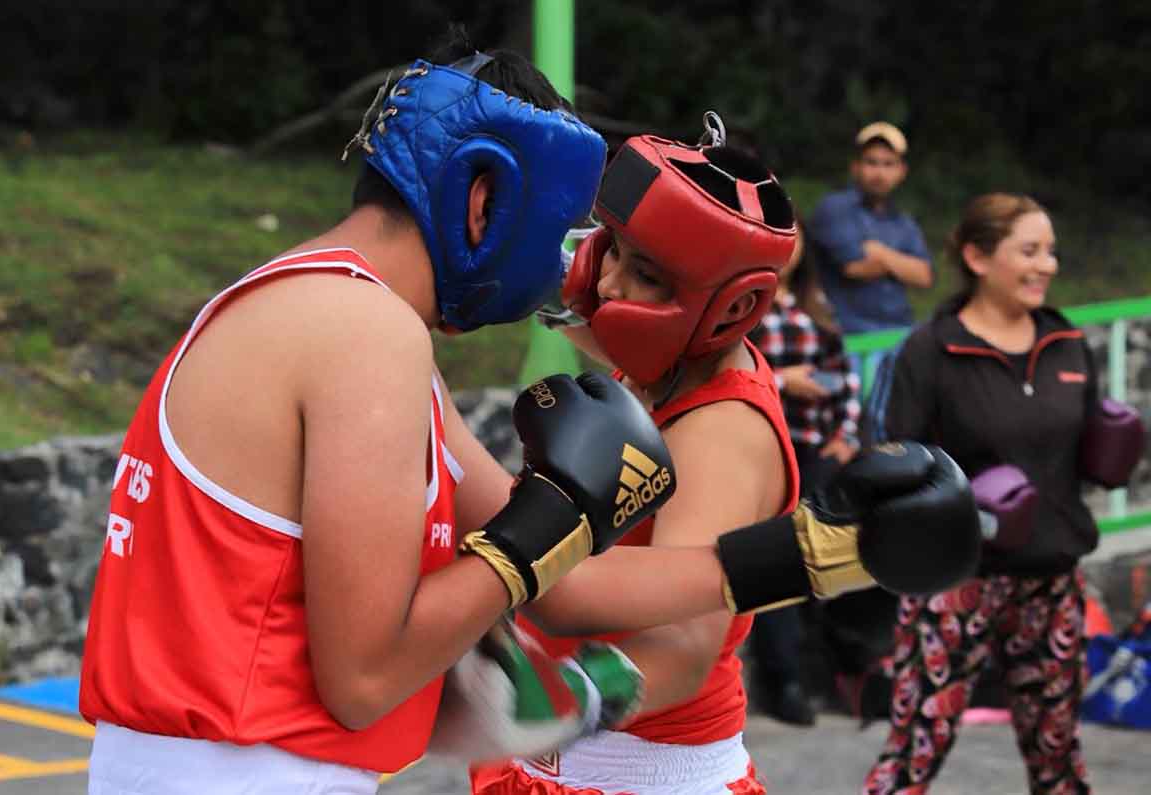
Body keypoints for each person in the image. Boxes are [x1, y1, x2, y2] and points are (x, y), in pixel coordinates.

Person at [77, 33, 680, 795]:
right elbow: (363, 676)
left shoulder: (306, 303)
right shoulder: (369, 333)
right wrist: (543, 523)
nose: (558, 270)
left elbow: (558, 590)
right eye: (555, 233)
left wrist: (778, 558)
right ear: (484, 200)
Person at [467, 119, 982, 795]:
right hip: (557, 768)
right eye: (613, 249)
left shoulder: (719, 429)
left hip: (641, 776)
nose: (614, 283)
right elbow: (571, 291)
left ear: (725, 307)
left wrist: (554, 700)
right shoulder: (665, 360)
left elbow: (681, 647)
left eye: (644, 271)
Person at [862, 194, 1097, 795]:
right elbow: (892, 463)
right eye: (1029, 250)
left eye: (1050, 251)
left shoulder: (1065, 343)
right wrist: (958, 505)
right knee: (915, 752)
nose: (1047, 264)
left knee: (1059, 759)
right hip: (954, 582)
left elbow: (1086, 456)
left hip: (1052, 579)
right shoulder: (931, 351)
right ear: (977, 256)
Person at [746, 222, 860, 726]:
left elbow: (846, 375)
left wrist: (847, 437)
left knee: (819, 560)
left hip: (816, 452)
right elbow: (722, 372)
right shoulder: (741, 302)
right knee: (775, 563)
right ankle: (783, 679)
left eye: (796, 236)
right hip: (762, 451)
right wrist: (780, 380)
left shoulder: (815, 307)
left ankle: (830, 674)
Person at [809, 122, 933, 336]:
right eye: (871, 162)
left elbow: (924, 276)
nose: (879, 172)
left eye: (888, 164)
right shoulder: (835, 208)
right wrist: (902, 265)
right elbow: (855, 267)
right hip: (847, 335)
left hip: (900, 332)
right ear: (855, 166)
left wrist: (881, 254)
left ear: (901, 171)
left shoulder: (904, 222)